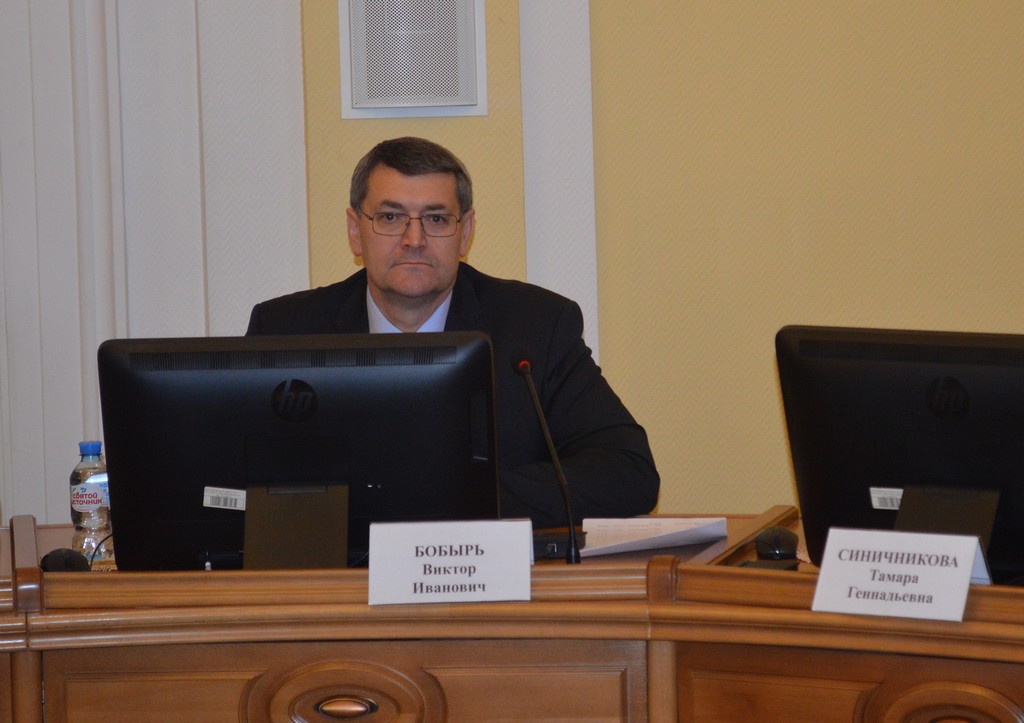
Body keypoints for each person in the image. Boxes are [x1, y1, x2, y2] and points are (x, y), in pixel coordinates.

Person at [247, 137, 659, 528]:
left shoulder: (536, 327)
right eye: (390, 217)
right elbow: (229, 483)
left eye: (436, 219)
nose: (414, 240)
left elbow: (628, 472)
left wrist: (460, 497)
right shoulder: (285, 330)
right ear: (356, 231)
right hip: (333, 575)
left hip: (480, 573)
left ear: (465, 232)